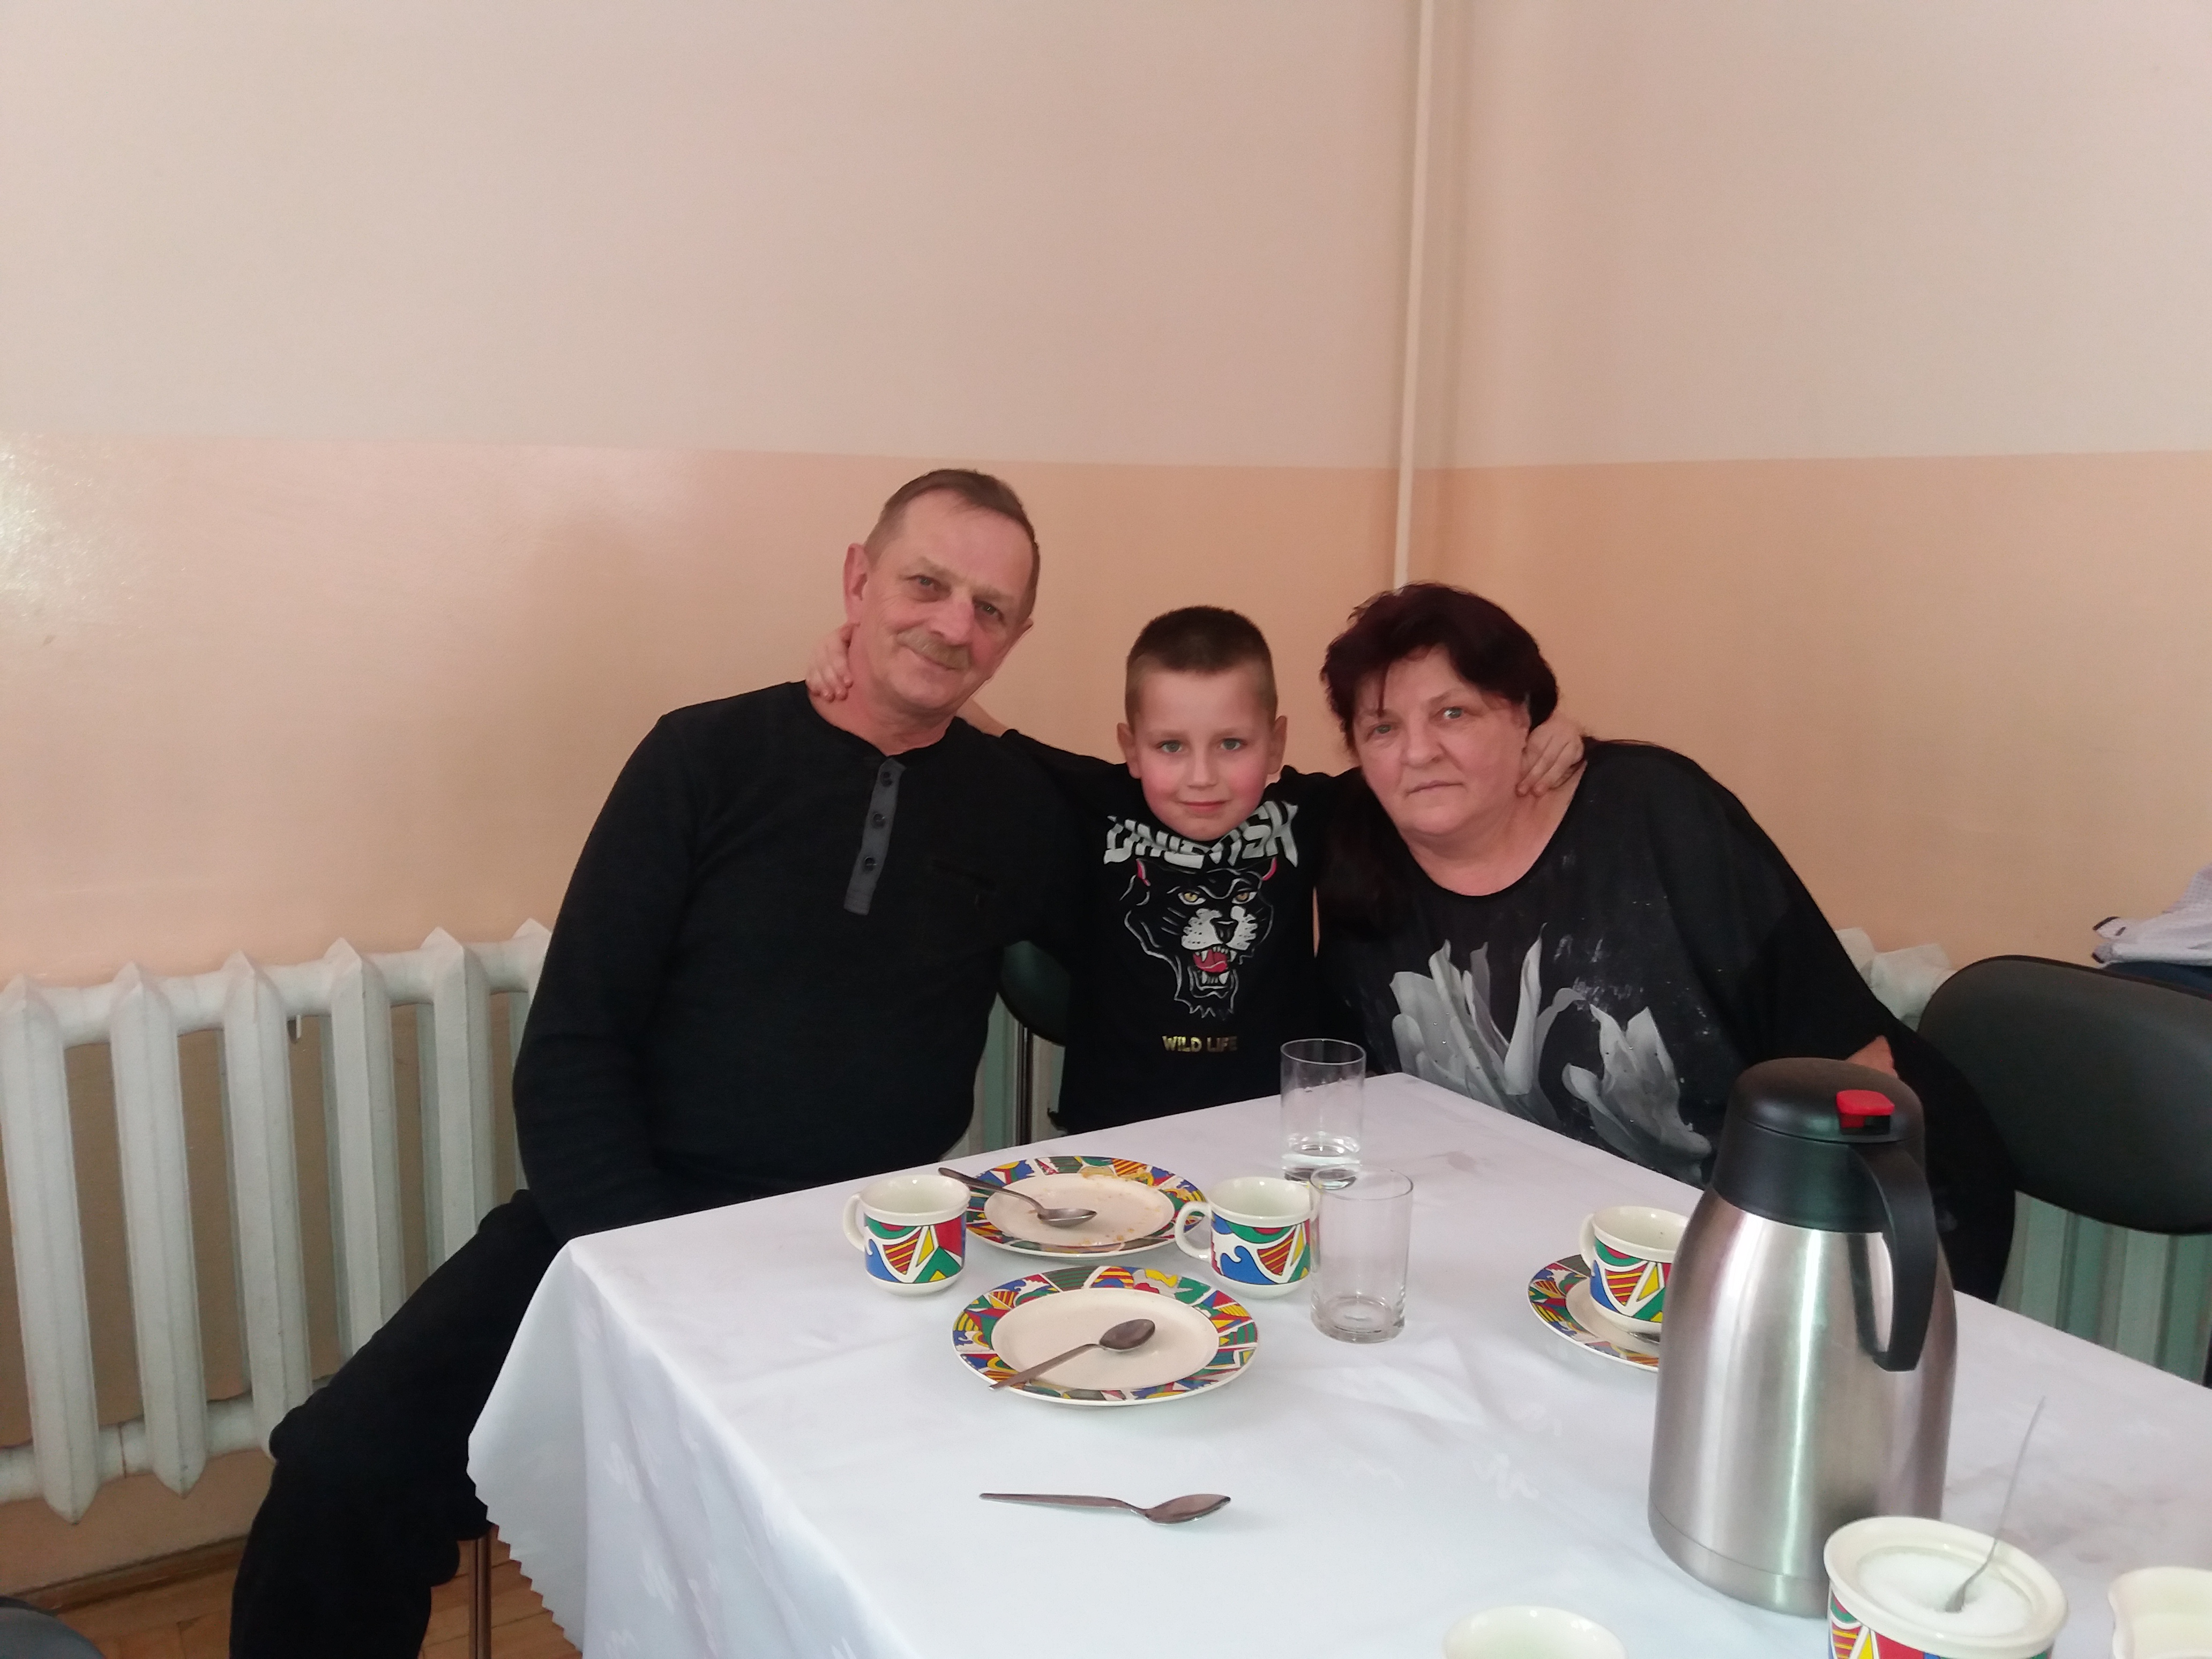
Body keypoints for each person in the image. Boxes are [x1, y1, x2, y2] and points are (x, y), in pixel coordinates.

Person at [229, 470, 1080, 1658]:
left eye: (989, 610)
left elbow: (1181, 804)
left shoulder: (1021, 809)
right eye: (925, 584)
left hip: (867, 1253)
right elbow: (572, 1046)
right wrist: (650, 1269)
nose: (953, 625)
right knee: (341, 1470)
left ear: (1018, 639)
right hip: (620, 1226)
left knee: (914, 1523)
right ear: (856, 579)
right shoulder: (703, 756)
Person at [1315, 583, 2016, 1297]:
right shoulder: (1352, 844)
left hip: (1837, 1214)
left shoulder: (1652, 815)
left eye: (1454, 713)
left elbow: (1854, 1067)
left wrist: (1815, 1287)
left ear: (1524, 713)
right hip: (1578, 1255)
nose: (1418, 752)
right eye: (1383, 728)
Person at [809, 604, 1583, 1130]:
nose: (1202, 777)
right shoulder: (1093, 800)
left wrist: (1551, 731)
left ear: (1276, 744)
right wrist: (859, 658)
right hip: (1115, 1131)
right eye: (1171, 747)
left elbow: (1431, 769)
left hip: (1274, 1127)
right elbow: (970, 723)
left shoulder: (1314, 809)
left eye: (1233, 745)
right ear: (1131, 746)